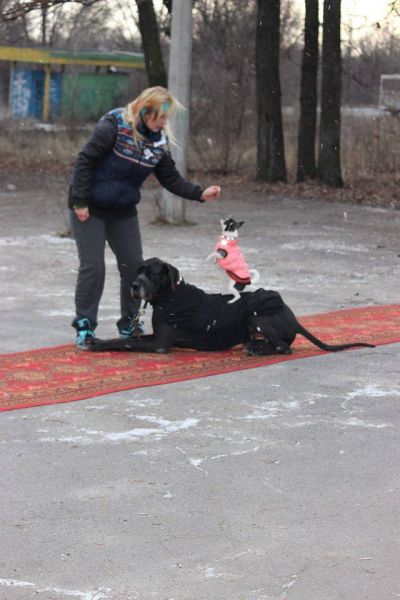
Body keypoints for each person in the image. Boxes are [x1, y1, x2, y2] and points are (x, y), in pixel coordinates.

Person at [69, 86, 220, 349]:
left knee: (133, 267)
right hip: (90, 206)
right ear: (144, 111)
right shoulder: (114, 125)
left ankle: (129, 322)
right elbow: (85, 161)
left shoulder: (158, 143)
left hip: (123, 210)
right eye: (160, 117)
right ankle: (85, 325)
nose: (163, 123)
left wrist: (200, 193)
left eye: (165, 118)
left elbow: (170, 178)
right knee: (93, 267)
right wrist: (80, 200)